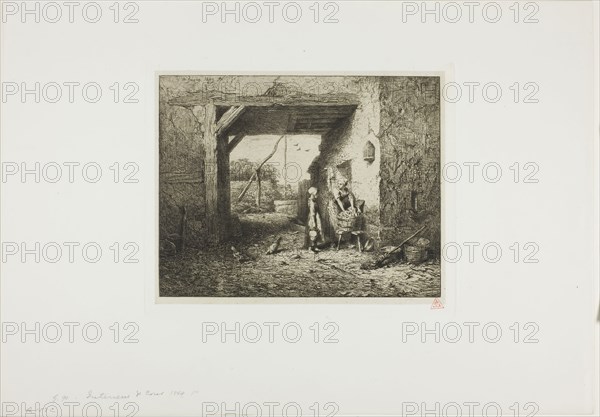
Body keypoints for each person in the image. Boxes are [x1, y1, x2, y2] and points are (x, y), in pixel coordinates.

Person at [306, 187, 323, 252]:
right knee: (312, 231)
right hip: (313, 218)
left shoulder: (314, 201)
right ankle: (310, 248)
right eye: (317, 193)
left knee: (316, 232)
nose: (318, 195)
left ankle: (315, 246)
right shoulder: (312, 202)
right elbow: (312, 212)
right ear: (313, 194)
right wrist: (314, 222)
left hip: (316, 217)